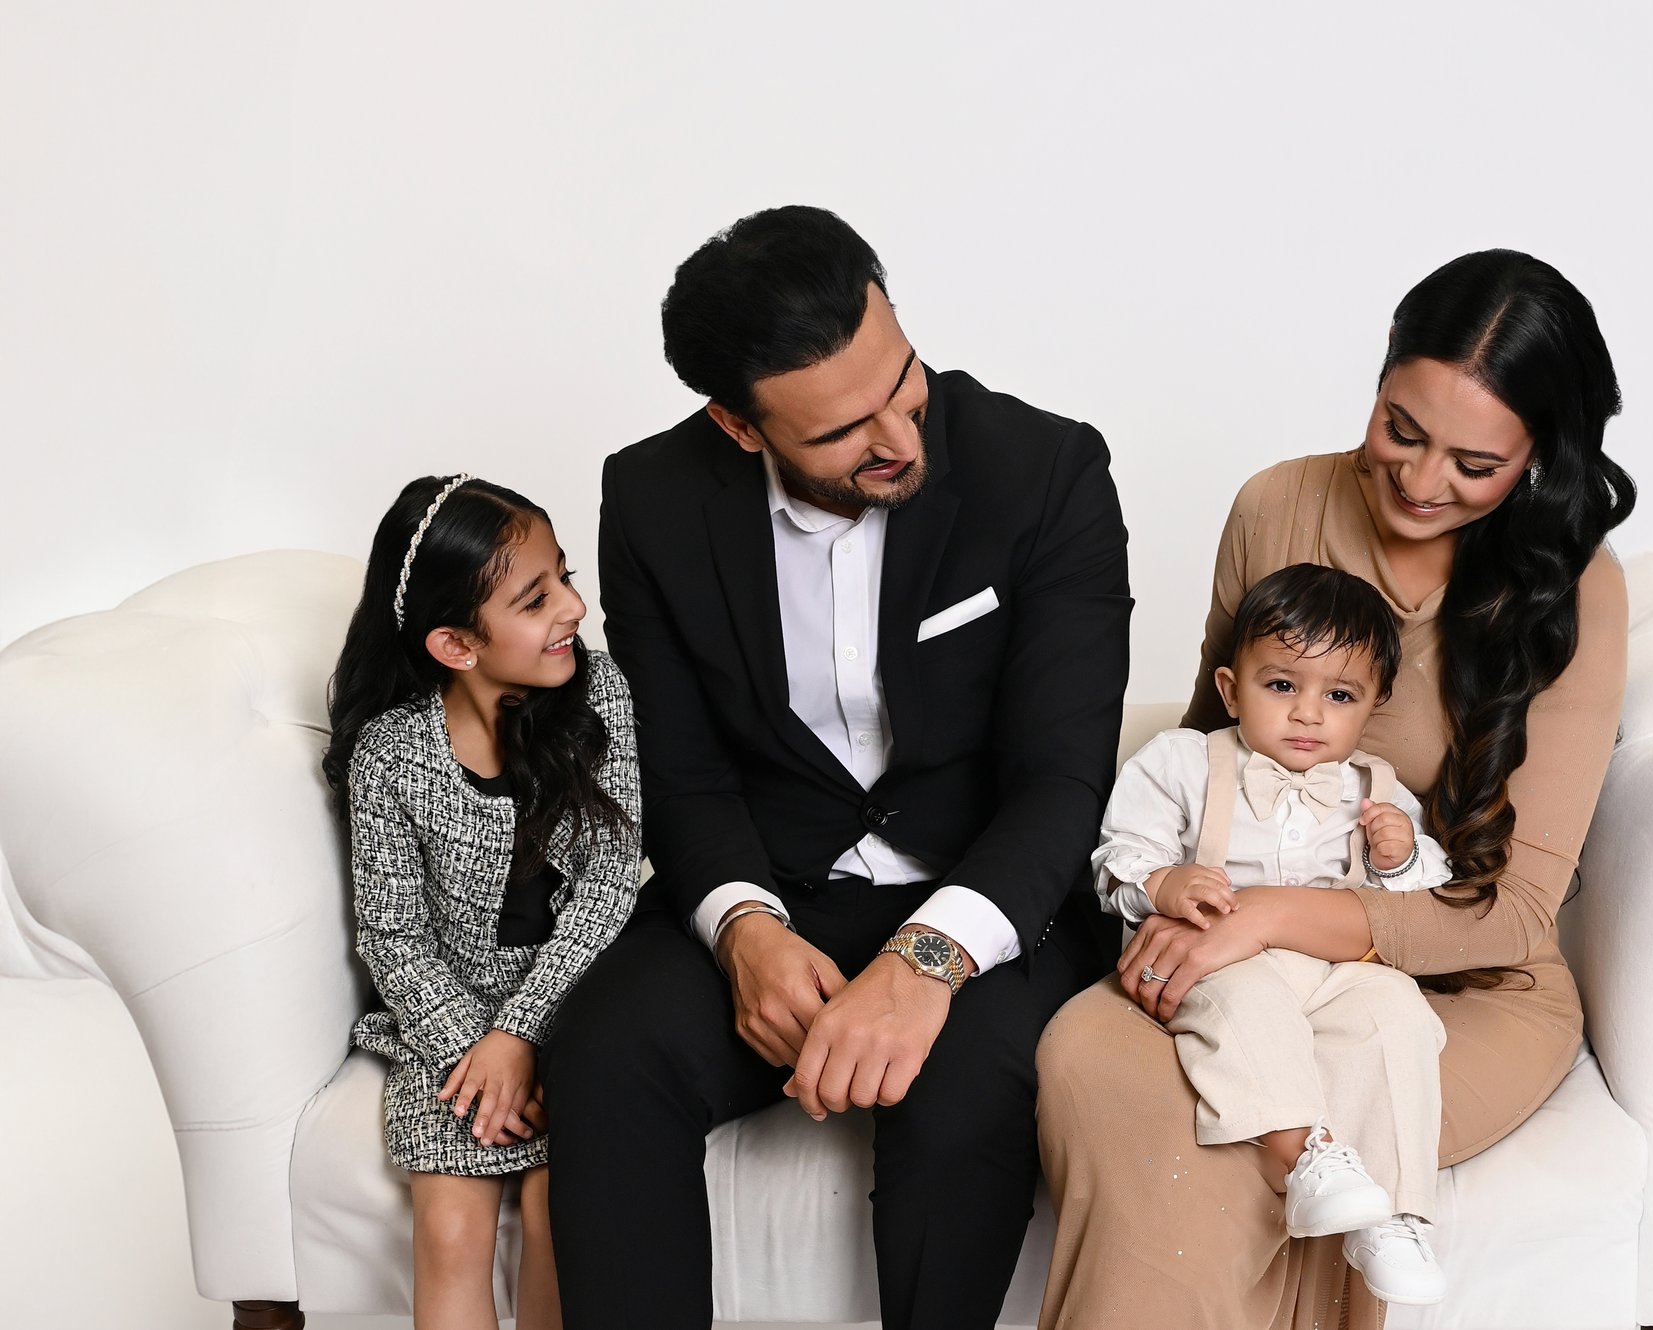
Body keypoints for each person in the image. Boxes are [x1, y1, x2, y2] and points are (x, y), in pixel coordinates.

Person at [543, 205, 1131, 1330]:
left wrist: (926, 961)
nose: (899, 438)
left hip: (984, 895)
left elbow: (1061, 779)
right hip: (776, 886)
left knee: (962, 1094)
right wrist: (743, 931)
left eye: (902, 383)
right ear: (736, 424)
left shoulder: (1047, 469)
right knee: (609, 1052)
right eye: (843, 432)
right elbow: (682, 772)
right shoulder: (652, 498)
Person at [1037, 249, 1636, 1330]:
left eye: (1473, 463)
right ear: (1380, 376)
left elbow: (1514, 910)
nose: (1419, 480)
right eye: (1400, 429)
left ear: (1539, 460)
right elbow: (1213, 749)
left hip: (1456, 980)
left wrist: (1270, 916)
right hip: (1237, 948)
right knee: (1089, 1059)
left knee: (1264, 1145)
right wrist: (1179, 897)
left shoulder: (1575, 591)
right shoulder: (1278, 503)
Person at [322, 475, 643, 1330]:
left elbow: (610, 884)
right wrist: (477, 1053)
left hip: (577, 1005)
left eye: (564, 576)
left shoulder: (600, 694)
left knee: (557, 1217)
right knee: (450, 1232)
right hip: (450, 1032)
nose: (573, 607)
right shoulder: (391, 755)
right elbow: (392, 936)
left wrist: (523, 1034)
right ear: (457, 644)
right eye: (536, 600)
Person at [1093, 562, 1452, 1305]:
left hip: (1334, 966)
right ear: (1231, 691)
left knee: (1396, 1011)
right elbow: (1118, 857)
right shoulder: (1183, 762)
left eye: (1340, 696)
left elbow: (1422, 911)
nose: (1308, 714)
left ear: (1373, 705)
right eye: (1282, 685)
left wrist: (1398, 858)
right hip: (1222, 956)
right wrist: (1164, 882)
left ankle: (1395, 1218)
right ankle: (1307, 1153)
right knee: (1246, 999)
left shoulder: (1379, 791)